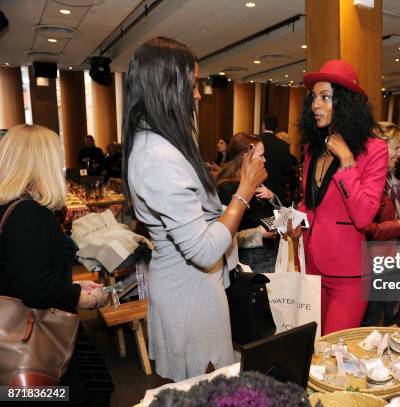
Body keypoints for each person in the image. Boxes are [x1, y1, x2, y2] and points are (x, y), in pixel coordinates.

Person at [122, 37, 266, 381]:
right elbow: (202, 250)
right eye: (191, 84)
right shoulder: (157, 157)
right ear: (165, 87)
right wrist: (243, 191)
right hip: (189, 296)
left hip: (192, 288)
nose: (198, 94)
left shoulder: (160, 143)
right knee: (208, 385)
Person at [0, 124, 109, 404]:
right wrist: (79, 298)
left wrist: (70, 285)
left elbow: (23, 273)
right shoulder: (28, 214)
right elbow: (35, 288)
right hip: (34, 343)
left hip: (19, 336)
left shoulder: (11, 207)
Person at [298, 59, 388, 335]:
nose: (316, 105)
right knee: (312, 349)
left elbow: (364, 217)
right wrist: (295, 220)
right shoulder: (312, 149)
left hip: (348, 275)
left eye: (325, 97)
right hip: (311, 268)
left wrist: (346, 160)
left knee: (334, 352)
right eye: (314, 98)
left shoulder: (375, 150)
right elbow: (310, 202)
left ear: (346, 104)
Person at [361, 122, 400, 326]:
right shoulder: (371, 181)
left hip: (392, 262)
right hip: (377, 265)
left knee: (389, 321)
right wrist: (398, 226)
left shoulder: (389, 180)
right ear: (379, 148)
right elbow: (365, 225)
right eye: (396, 147)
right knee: (373, 325)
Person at [216, 133, 278, 274]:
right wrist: (259, 234)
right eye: (261, 155)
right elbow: (222, 238)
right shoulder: (227, 190)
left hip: (267, 263)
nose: (265, 160)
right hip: (246, 270)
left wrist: (272, 197)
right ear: (246, 157)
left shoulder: (258, 184)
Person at [260, 116, 293, 205]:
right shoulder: (284, 146)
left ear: (263, 125)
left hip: (257, 189)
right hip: (277, 190)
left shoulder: (256, 141)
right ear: (276, 128)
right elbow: (288, 169)